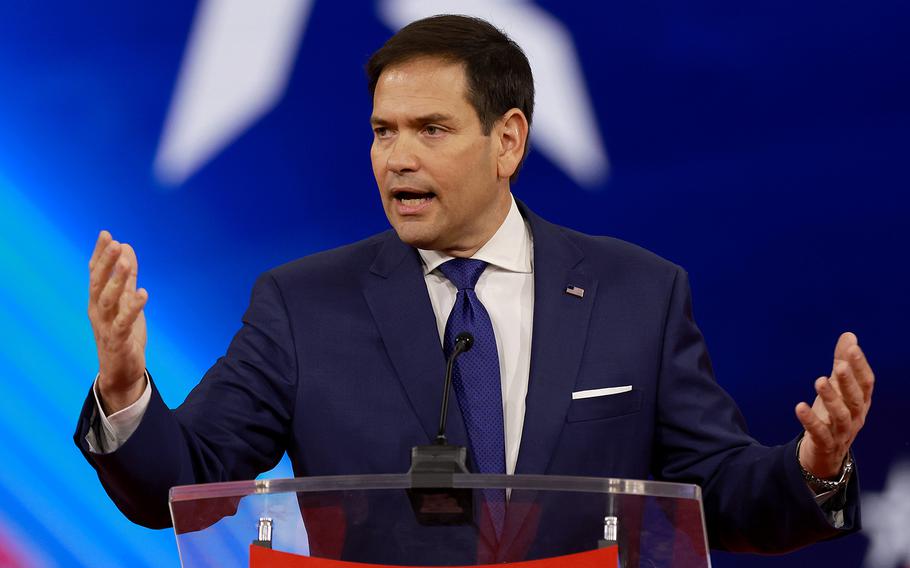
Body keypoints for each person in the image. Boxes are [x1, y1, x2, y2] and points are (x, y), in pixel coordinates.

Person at [75, 14, 873, 557]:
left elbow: (721, 497)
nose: (396, 158)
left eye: (432, 129)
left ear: (509, 142)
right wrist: (124, 387)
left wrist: (813, 464)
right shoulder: (301, 305)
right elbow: (181, 488)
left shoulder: (640, 293)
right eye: (383, 132)